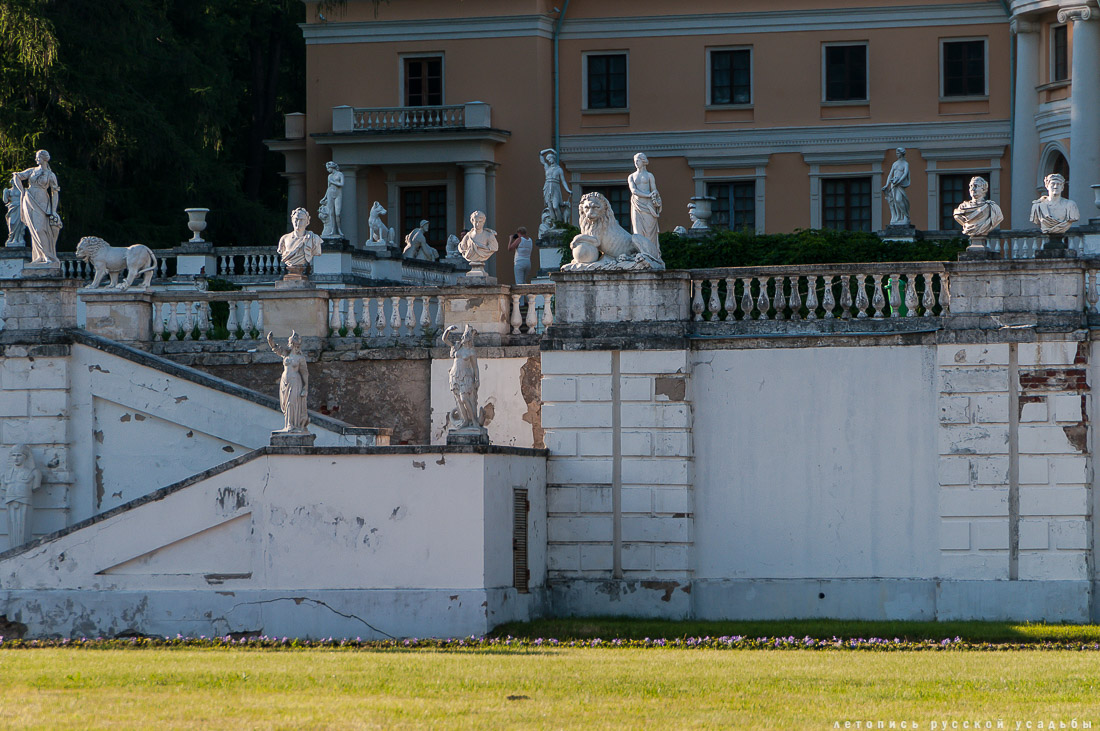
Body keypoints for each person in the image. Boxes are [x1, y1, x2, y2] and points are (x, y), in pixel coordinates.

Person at [12, 150, 62, 265]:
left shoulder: (50, 175)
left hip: (42, 201)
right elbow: (17, 176)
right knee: (34, 230)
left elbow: (55, 193)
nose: (36, 159)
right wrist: (22, 191)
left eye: (38, 157)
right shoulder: (32, 171)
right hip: (29, 200)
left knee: (40, 229)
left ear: (44, 158)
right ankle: (40, 256)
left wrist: (54, 211)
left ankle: (47, 256)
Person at [267, 331, 310, 433]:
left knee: (292, 403)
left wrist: (305, 387)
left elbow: (305, 373)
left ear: (294, 344)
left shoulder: (300, 358)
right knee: (285, 404)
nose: (288, 345)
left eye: (290, 343)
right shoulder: (286, 354)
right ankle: (288, 424)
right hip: (285, 381)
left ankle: (291, 424)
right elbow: (276, 348)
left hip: (295, 382)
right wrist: (270, 340)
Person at [442, 324, 481, 430]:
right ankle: (465, 421)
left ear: (469, 339)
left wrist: (477, 379)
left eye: (465, 336)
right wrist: (448, 330)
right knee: (459, 400)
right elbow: (444, 339)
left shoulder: (471, 352)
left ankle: (474, 420)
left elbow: (475, 367)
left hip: (466, 376)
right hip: (455, 376)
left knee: (464, 399)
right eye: (463, 336)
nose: (463, 338)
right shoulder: (457, 346)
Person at [3, 444, 41, 547]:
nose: (16, 458)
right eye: (14, 455)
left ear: (25, 457)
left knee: (24, 528)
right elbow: (4, 486)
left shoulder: (34, 473)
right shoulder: (6, 474)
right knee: (12, 527)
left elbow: (35, 486)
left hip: (25, 502)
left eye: (19, 455)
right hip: (10, 502)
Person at [628, 152, 662, 258]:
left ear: (643, 161)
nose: (636, 163)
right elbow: (634, 191)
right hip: (637, 205)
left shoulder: (649, 175)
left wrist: (655, 194)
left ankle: (652, 256)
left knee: (650, 232)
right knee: (637, 231)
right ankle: (641, 255)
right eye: (635, 161)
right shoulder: (631, 176)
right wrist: (648, 195)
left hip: (648, 206)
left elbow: (654, 189)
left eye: (638, 161)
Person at [277, 207, 323, 272]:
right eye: (296, 219)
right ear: (292, 220)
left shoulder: (314, 238)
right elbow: (281, 252)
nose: (298, 223)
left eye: (301, 220)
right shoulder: (284, 238)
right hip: (290, 268)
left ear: (307, 221)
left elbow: (317, 253)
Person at [458, 211, 499, 275]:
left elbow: (494, 247)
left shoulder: (489, 235)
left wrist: (482, 247)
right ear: (472, 221)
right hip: (471, 257)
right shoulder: (468, 236)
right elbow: (462, 248)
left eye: (480, 222)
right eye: (476, 222)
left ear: (483, 222)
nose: (477, 224)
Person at [540, 148, 571, 224]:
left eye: (550, 159)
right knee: (550, 207)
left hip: (555, 187)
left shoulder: (559, 169)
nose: (549, 161)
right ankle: (554, 224)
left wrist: (568, 190)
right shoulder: (547, 167)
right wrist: (549, 149)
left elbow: (563, 181)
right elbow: (540, 154)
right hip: (547, 187)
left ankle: (559, 223)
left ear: (553, 158)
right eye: (548, 160)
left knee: (555, 207)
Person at [882, 147, 911, 227]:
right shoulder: (895, 164)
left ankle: (906, 216)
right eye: (896, 153)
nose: (897, 154)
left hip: (899, 184)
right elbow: (890, 175)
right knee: (894, 201)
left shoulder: (905, 164)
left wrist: (899, 181)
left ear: (902, 153)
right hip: (893, 184)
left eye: (898, 153)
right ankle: (898, 217)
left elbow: (905, 173)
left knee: (899, 199)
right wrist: (886, 185)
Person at [319, 161, 343, 238]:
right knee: (331, 213)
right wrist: (324, 197)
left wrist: (333, 182)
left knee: (337, 213)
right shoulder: (329, 176)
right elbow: (328, 187)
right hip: (330, 193)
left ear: (332, 167)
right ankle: (333, 230)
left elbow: (341, 184)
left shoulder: (340, 174)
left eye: (328, 168)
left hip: (338, 194)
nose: (327, 170)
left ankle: (339, 229)